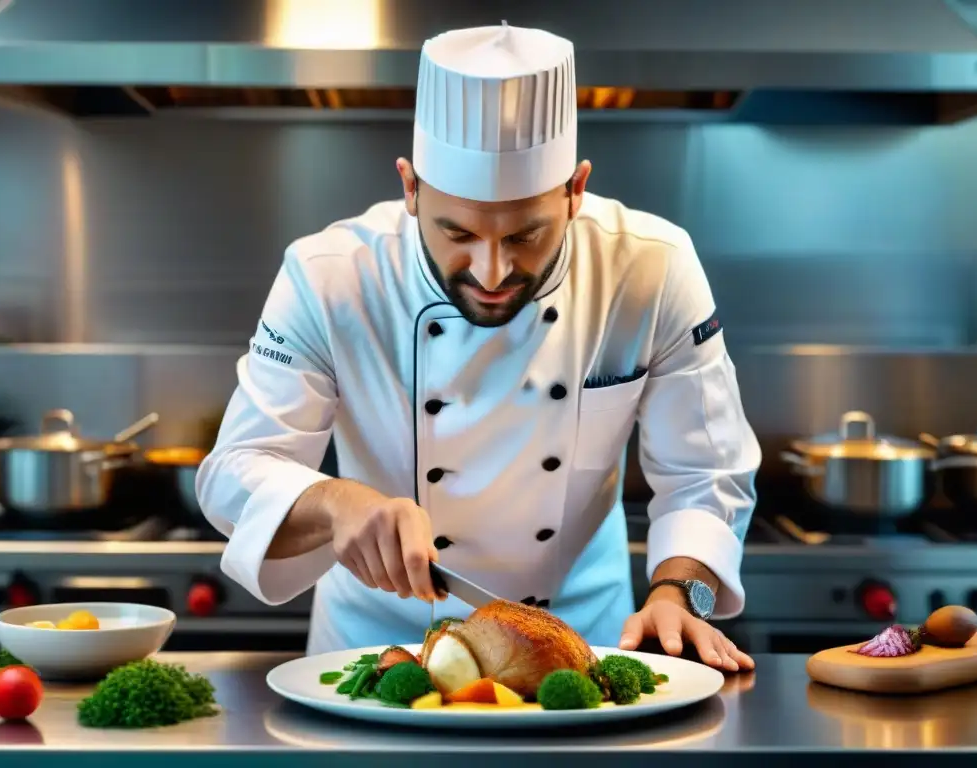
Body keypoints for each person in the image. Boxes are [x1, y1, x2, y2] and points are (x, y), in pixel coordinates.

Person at [196, 22, 761, 673]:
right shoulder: (330, 277)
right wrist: (335, 503)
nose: (491, 272)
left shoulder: (651, 267)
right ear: (410, 188)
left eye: (525, 236)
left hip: (583, 650)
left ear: (575, 191)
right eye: (457, 232)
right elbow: (233, 471)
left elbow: (705, 472)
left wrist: (679, 593)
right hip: (377, 655)